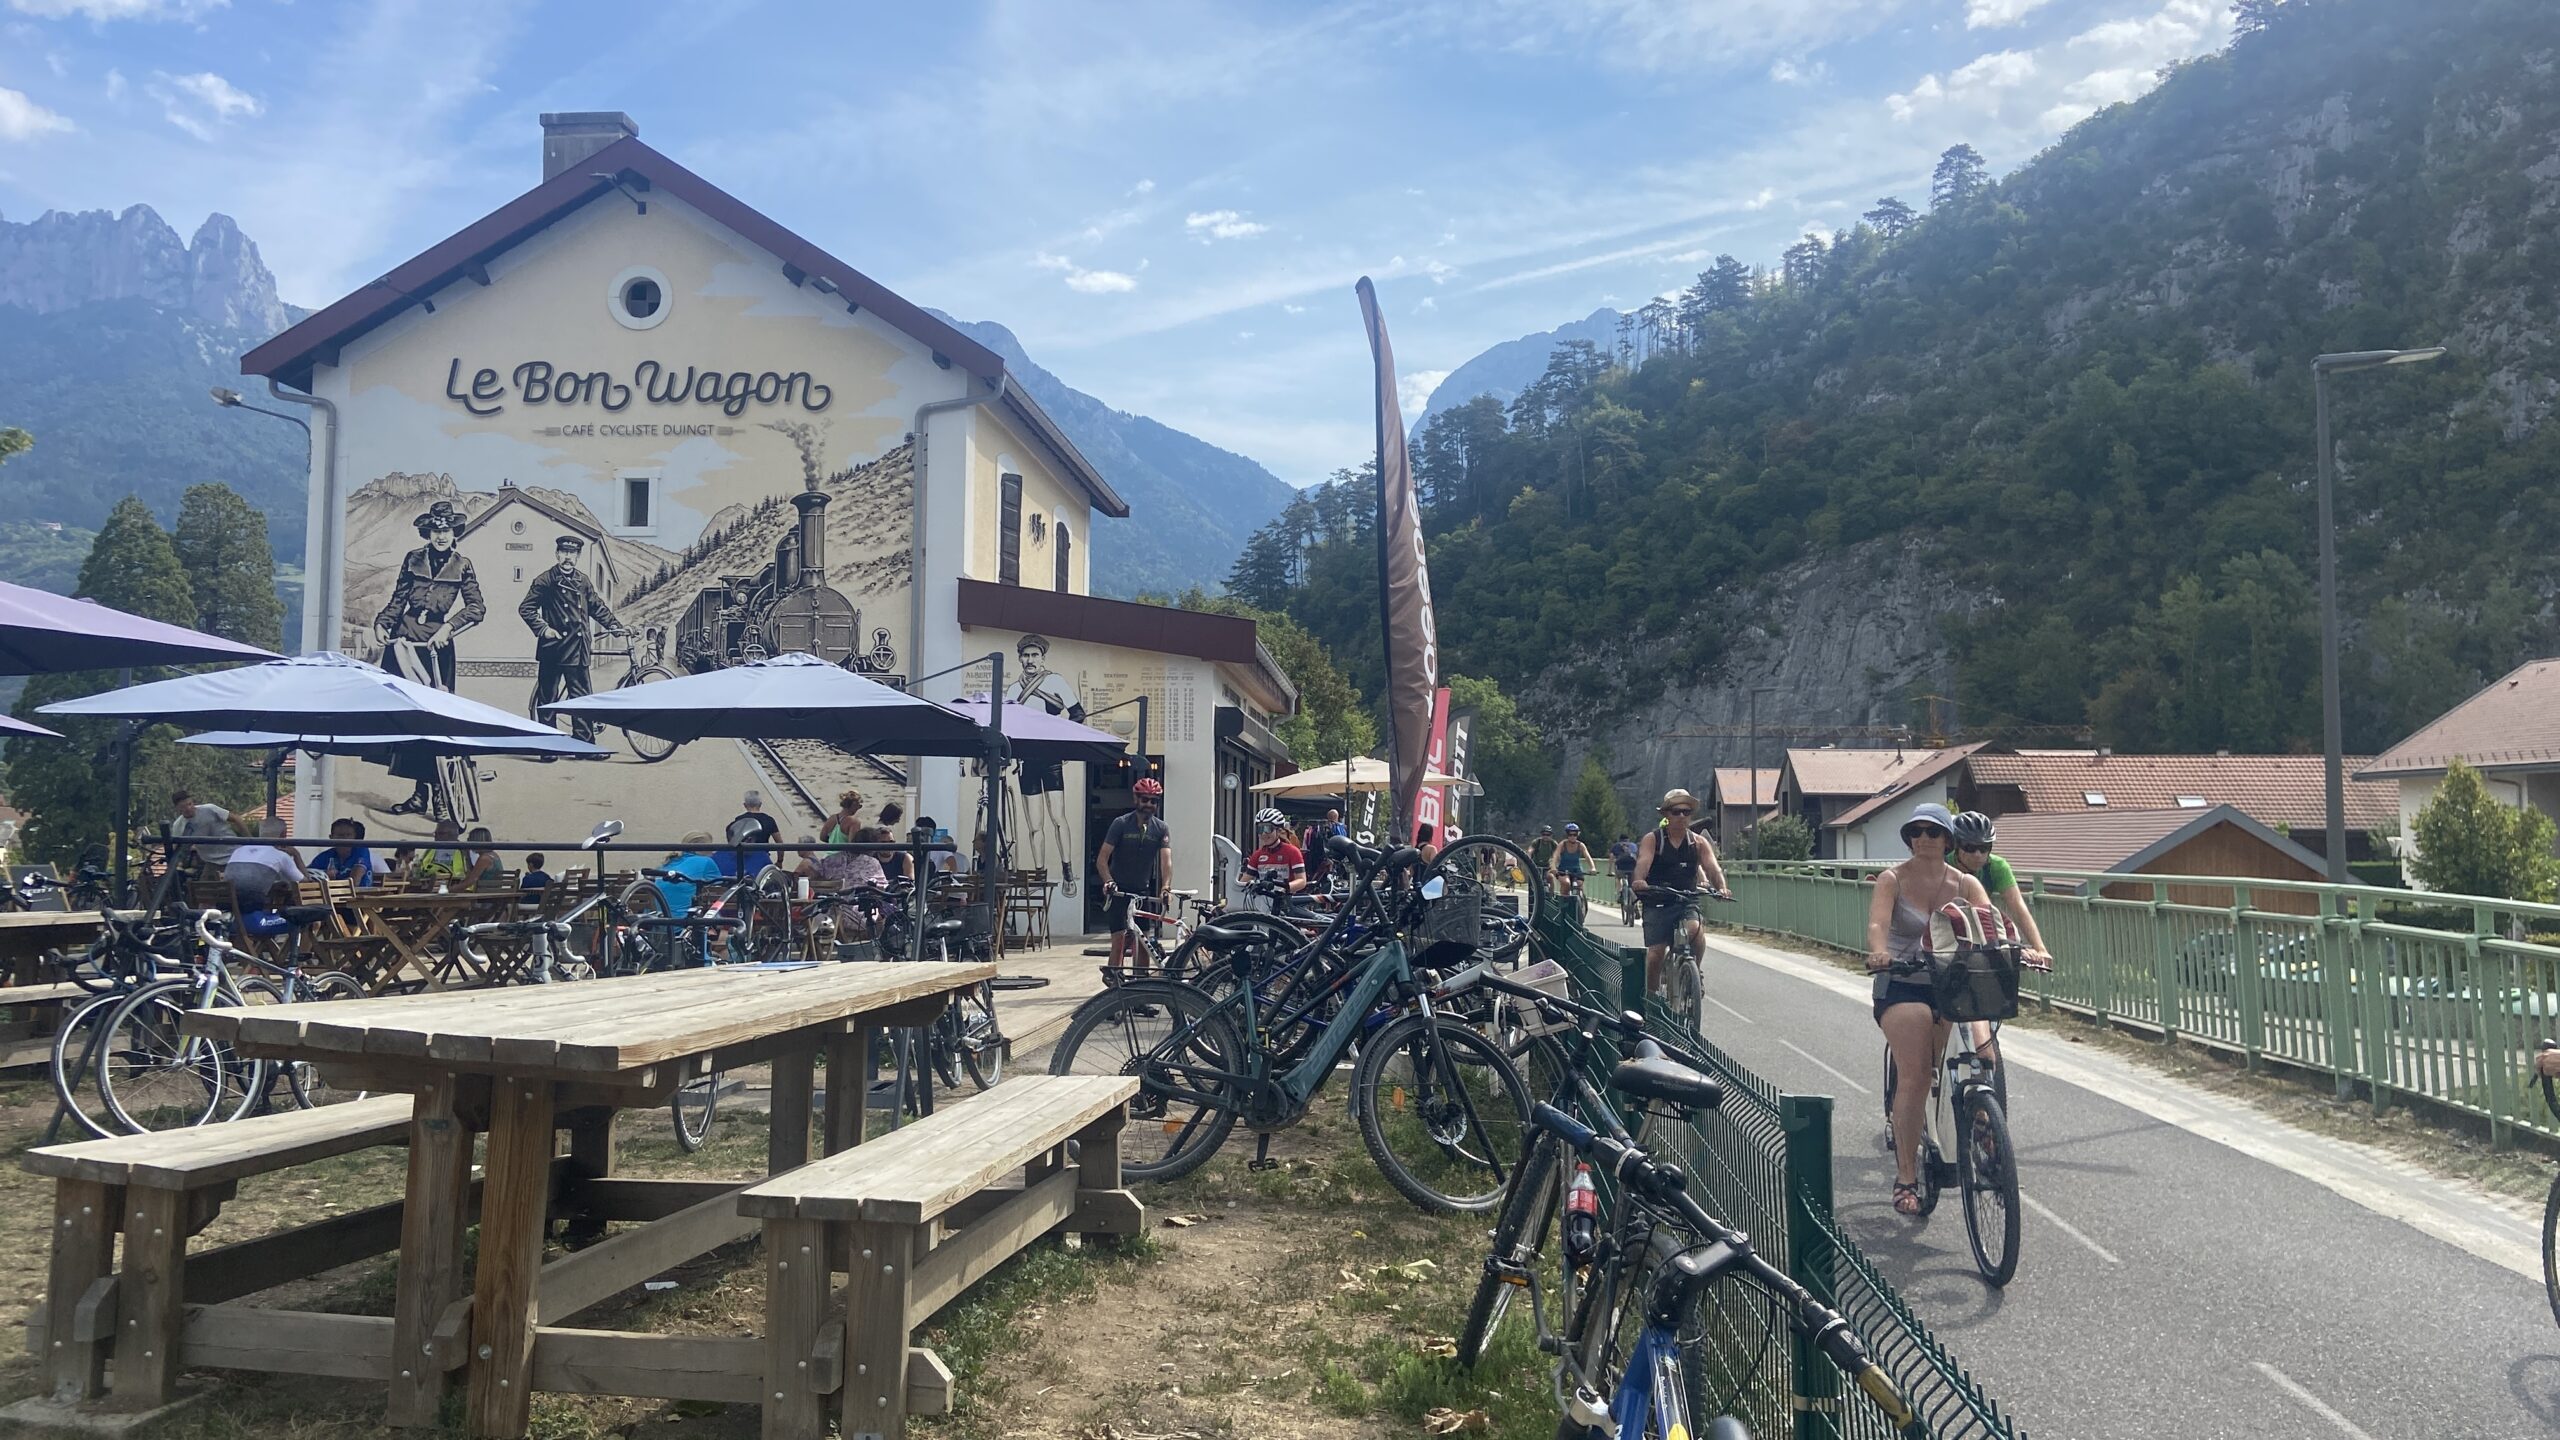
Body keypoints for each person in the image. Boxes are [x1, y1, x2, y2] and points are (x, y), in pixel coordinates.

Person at [1867, 802, 1998, 1218]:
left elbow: (1990, 926)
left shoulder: (1965, 883)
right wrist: (1880, 951)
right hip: (1903, 982)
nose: (1924, 838)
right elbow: (1877, 924)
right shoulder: (1892, 880)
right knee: (1918, 1075)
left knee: (1983, 1054)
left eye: (1934, 831)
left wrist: (2016, 951)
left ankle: (1985, 1127)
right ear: (1909, 838)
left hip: (1952, 985)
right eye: (1916, 831)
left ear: (1948, 840)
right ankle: (1906, 1176)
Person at [377, 501, 484, 815]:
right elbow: (398, 599)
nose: (441, 535)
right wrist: (383, 623)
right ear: (428, 532)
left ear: (454, 533)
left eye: (446, 530)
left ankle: (440, 794)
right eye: (436, 530)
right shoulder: (413, 559)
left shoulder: (463, 565)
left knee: (436, 722)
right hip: (404, 643)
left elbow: (477, 607)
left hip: (437, 647)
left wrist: (449, 627)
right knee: (410, 721)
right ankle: (419, 795)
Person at [519, 534, 623, 743]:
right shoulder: (545, 580)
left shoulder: (583, 581)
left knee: (582, 698)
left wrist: (615, 626)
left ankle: (583, 743)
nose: (568, 557)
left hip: (578, 648)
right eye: (564, 552)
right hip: (553, 648)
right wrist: (544, 629)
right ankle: (548, 745)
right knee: (548, 699)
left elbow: (597, 607)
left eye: (572, 553)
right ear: (557, 554)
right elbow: (526, 608)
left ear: (578, 556)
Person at [1632, 790, 1732, 997]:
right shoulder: (1653, 839)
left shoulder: (1698, 842)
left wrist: (1721, 887)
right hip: (1658, 900)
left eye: (1686, 812)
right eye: (1676, 811)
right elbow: (1643, 862)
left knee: (1695, 931)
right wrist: (1640, 880)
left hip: (1687, 899)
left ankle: (1695, 971)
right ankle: (1651, 998)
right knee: (1656, 953)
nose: (1681, 816)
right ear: (1666, 814)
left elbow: (1713, 868)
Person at [1947, 812, 2054, 968]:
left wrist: (2040, 949)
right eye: (1970, 848)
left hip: (1978, 932)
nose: (1978, 855)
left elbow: (2018, 908)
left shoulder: (1996, 867)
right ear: (1956, 846)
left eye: (1984, 848)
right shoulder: (1943, 864)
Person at [1097, 776, 1171, 976]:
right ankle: (1114, 980)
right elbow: (1102, 859)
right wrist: (1108, 881)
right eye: (1145, 799)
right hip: (1118, 890)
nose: (1149, 804)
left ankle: (1141, 984)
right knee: (1119, 939)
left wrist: (1165, 887)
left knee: (1143, 941)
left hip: (1141, 891)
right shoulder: (1120, 824)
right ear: (1135, 799)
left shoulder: (1160, 828)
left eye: (1153, 801)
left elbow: (1166, 861)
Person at [223, 819, 308, 912]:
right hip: (251, 904)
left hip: (226, 900)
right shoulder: (280, 855)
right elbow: (304, 883)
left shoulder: (239, 850)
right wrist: (296, 855)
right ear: (283, 834)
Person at [1242, 808, 1306, 915]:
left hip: (1285, 902)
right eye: (1260, 829)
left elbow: (1301, 881)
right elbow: (1244, 882)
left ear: (1279, 830)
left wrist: (1284, 889)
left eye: (1268, 829)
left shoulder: (1292, 851)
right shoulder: (1257, 855)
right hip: (1262, 902)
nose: (1263, 834)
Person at [655, 833, 725, 914]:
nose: (713, 851)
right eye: (710, 847)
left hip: (659, 917)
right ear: (701, 848)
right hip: (686, 917)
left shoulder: (669, 862)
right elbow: (721, 889)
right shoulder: (706, 861)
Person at [171, 789, 238, 871]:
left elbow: (236, 819)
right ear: (177, 808)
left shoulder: (209, 809)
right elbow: (176, 848)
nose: (188, 808)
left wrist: (249, 841)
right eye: (183, 807)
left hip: (234, 854)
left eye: (189, 804)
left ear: (193, 802)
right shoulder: (178, 825)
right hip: (212, 862)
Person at [725, 790, 780, 875]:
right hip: (763, 859)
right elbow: (779, 842)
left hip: (742, 859)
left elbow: (731, 838)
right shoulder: (769, 820)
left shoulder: (739, 820)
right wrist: (780, 861)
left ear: (745, 805)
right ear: (760, 804)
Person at [309, 818, 377, 887]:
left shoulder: (361, 850)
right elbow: (308, 874)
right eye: (340, 835)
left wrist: (329, 881)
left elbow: (354, 882)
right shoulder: (326, 855)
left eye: (349, 835)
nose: (345, 839)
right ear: (331, 837)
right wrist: (324, 874)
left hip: (360, 893)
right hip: (333, 893)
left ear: (354, 837)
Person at [412, 820, 470, 888]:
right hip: (427, 883)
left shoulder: (463, 851)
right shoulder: (432, 848)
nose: (436, 836)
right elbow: (420, 866)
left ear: (453, 835)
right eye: (435, 833)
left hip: (453, 885)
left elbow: (467, 874)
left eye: (440, 833)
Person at [1550, 823, 1593, 899]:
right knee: (1566, 883)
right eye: (1570, 835)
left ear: (1577, 834)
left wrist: (1592, 867)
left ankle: (1581, 901)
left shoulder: (1581, 845)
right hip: (1564, 870)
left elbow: (1587, 856)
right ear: (1567, 835)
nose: (1573, 837)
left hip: (1577, 870)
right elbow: (1555, 855)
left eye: (1575, 834)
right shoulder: (1562, 844)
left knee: (1579, 884)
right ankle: (1564, 901)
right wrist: (1553, 867)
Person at [1527, 825, 1559, 889]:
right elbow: (1530, 851)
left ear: (1551, 835)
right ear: (1541, 835)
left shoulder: (1553, 843)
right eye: (1544, 834)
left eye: (1548, 835)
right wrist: (1528, 859)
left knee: (1550, 877)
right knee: (1533, 880)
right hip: (1536, 865)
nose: (1546, 836)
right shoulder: (1537, 842)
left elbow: (1558, 853)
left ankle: (1551, 894)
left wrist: (1555, 865)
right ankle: (1532, 893)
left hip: (1547, 866)